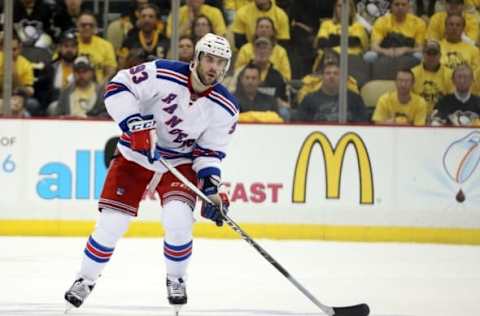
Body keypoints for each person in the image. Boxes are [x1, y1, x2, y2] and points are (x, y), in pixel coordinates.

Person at [64, 33, 238, 313]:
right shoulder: (162, 73)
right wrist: (135, 125)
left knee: (178, 219)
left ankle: (176, 278)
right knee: (112, 224)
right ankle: (85, 279)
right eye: (209, 59)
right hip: (135, 156)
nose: (213, 67)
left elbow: (209, 152)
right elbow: (117, 87)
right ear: (196, 58)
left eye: (220, 62)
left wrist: (210, 191)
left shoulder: (226, 107)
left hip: (178, 164)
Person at [294, 61, 369, 123]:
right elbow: (301, 124)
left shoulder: (355, 98)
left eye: (336, 73)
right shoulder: (309, 99)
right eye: (328, 73)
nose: (331, 76)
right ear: (322, 77)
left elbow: (363, 123)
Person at [412, 40, 454, 115]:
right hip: (417, 114)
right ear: (423, 54)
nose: (431, 57)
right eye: (428, 53)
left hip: (441, 115)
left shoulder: (450, 74)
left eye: (434, 53)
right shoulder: (413, 73)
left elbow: (452, 100)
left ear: (440, 55)